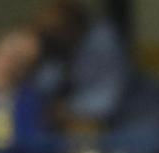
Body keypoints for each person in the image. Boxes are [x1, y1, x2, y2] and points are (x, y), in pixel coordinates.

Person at [32, 0, 131, 132]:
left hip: (110, 119)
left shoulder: (103, 42)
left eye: (59, 29)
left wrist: (68, 109)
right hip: (53, 116)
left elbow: (108, 100)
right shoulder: (51, 43)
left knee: (85, 130)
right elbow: (41, 86)